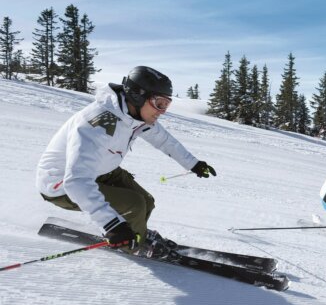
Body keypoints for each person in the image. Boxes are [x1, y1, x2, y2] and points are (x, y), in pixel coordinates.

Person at [36, 66, 215, 258]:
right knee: (135, 204)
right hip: (60, 183)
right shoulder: (98, 124)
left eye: (167, 104)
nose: (162, 111)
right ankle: (132, 245)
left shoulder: (134, 116)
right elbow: (76, 181)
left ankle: (136, 235)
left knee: (147, 200)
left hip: (98, 171)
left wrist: (193, 164)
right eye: (159, 103)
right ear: (138, 96)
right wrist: (112, 225)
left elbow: (163, 140)